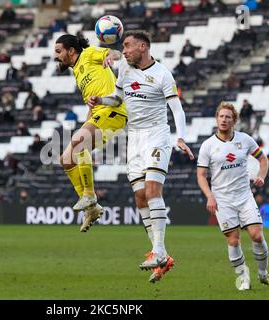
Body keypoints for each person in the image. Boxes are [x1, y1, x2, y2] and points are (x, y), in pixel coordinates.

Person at [88, 31, 194, 283]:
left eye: (127, 46)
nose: (124, 50)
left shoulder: (162, 74)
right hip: (133, 139)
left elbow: (176, 109)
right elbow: (117, 98)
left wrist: (181, 137)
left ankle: (157, 250)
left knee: (152, 190)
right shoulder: (124, 68)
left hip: (157, 136)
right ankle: (162, 254)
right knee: (140, 197)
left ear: (143, 47)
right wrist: (100, 99)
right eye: (123, 47)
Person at [197, 102, 269, 291]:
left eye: (228, 117)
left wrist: (261, 175)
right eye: (221, 116)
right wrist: (209, 195)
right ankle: (243, 276)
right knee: (233, 240)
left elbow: (263, 158)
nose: (224, 120)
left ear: (234, 120)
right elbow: (201, 175)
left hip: (244, 196)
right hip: (222, 200)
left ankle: (263, 274)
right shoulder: (208, 145)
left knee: (257, 236)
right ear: (217, 119)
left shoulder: (245, 140)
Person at [54, 34, 127, 232]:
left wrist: (111, 56)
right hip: (99, 113)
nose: (56, 56)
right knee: (66, 159)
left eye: (58, 51)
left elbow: (116, 53)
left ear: (71, 50)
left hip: (114, 111)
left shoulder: (88, 54)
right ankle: (92, 209)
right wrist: (87, 121)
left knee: (79, 144)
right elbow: (91, 102)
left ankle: (89, 195)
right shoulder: (78, 71)